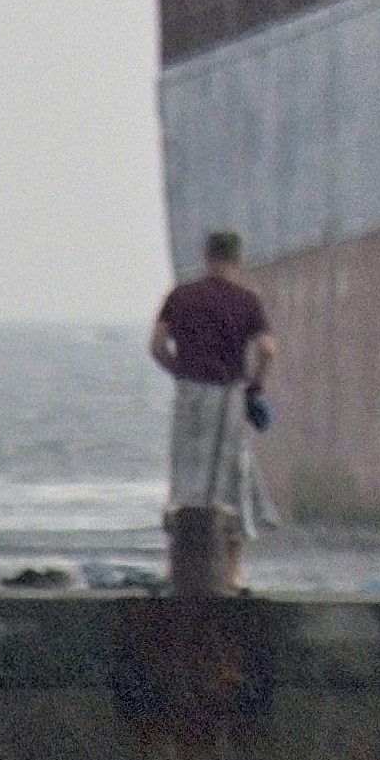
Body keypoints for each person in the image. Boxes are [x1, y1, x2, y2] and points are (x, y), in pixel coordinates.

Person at [150, 228, 278, 593]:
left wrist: (180, 371)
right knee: (233, 481)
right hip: (227, 397)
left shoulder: (181, 296)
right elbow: (268, 349)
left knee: (186, 480)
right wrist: (255, 387)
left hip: (189, 395)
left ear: (207, 257)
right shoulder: (247, 301)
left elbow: (157, 345)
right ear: (237, 259)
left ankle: (179, 570)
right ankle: (233, 573)